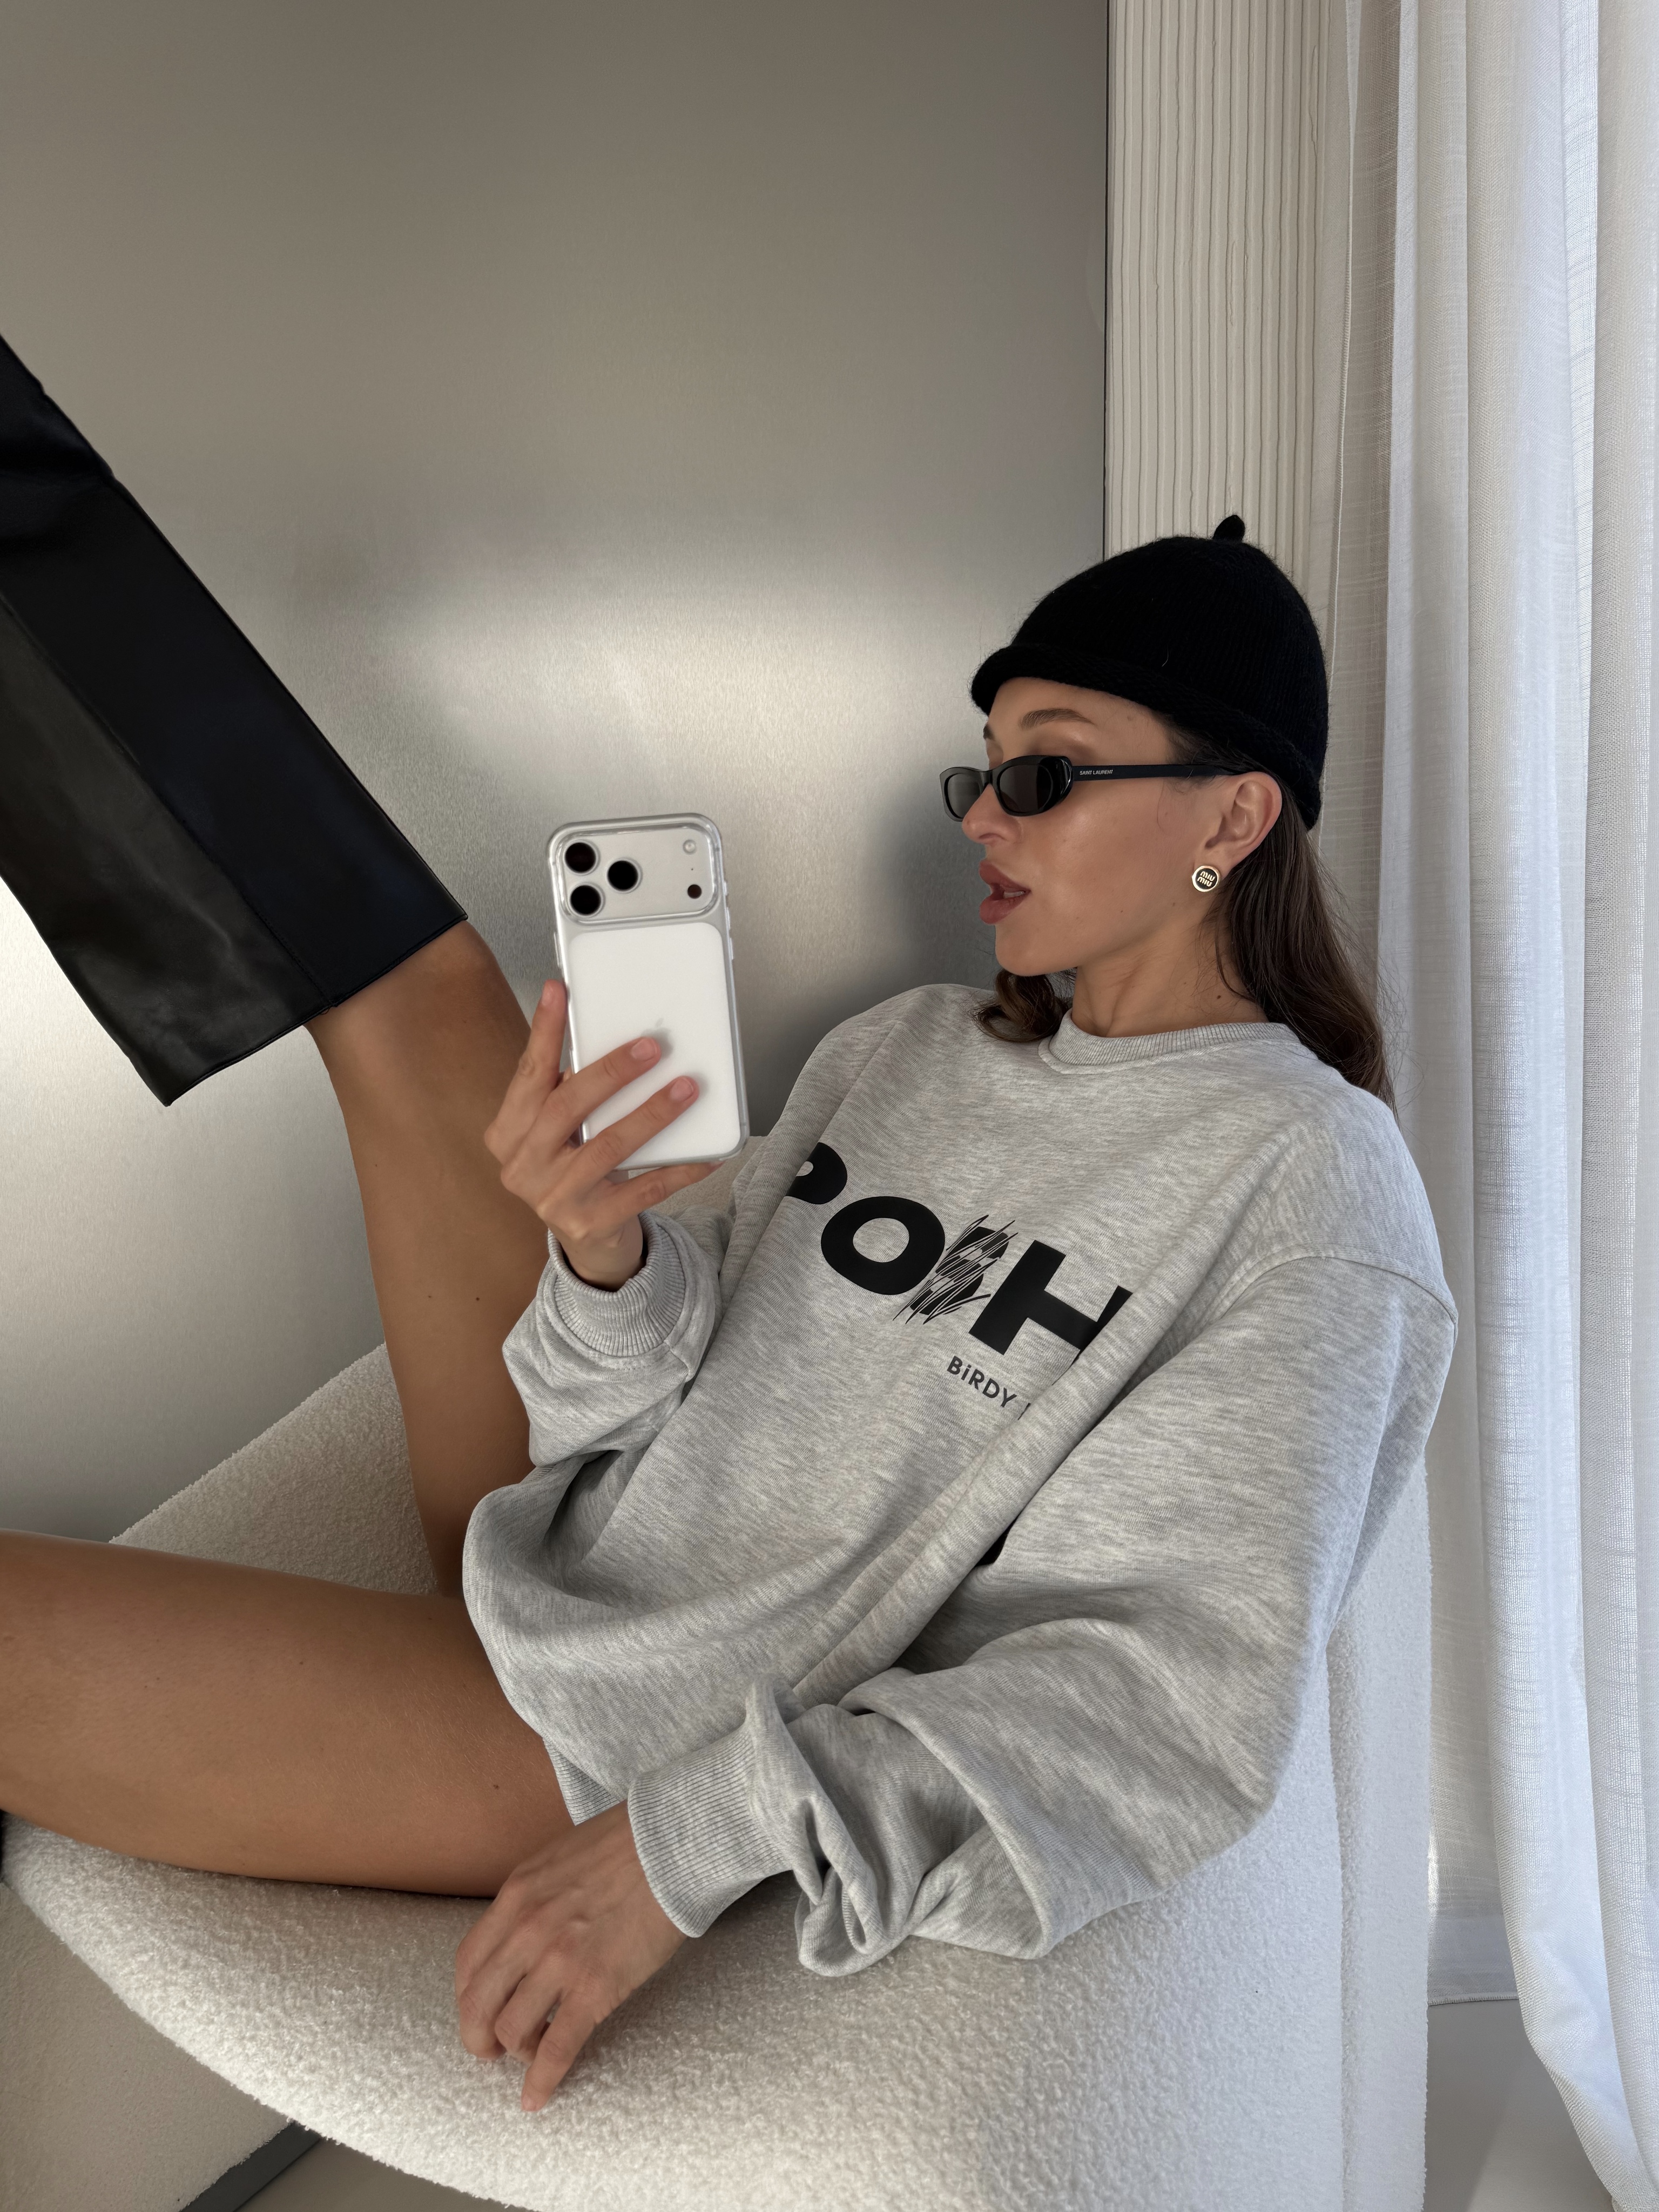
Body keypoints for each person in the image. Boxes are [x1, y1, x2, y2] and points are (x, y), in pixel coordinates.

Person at [0, 342, 1455, 2116]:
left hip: (622, 1727)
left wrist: (683, 1842)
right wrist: (604, 1259)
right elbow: (658, 1384)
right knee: (415, 991)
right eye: (984, 775)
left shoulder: (1309, 1190)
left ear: (1235, 811)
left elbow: (1162, 1706)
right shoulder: (908, 1050)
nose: (987, 821)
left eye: (1048, 776)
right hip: (570, 1520)